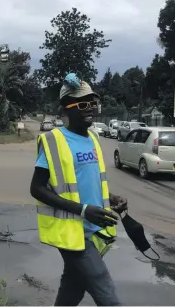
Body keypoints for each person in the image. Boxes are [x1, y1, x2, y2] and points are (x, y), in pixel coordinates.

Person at [30, 81, 128, 306]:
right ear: (65, 110)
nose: (90, 108)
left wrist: (112, 198)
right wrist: (83, 210)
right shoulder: (53, 141)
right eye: (82, 105)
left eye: (92, 103)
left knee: (72, 288)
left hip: (94, 229)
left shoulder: (93, 138)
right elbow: (37, 188)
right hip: (73, 232)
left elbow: (87, 181)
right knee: (105, 289)